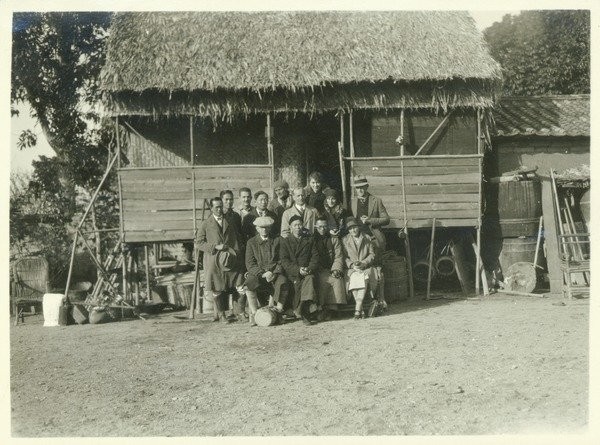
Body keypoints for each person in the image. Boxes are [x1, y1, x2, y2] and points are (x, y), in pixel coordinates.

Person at [195, 197, 243, 323]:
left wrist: (236, 253)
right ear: (211, 208)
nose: (219, 209)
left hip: (229, 258)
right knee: (217, 287)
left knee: (236, 283)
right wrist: (215, 246)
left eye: (221, 206)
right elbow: (198, 243)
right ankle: (221, 315)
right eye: (216, 207)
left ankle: (239, 313)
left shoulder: (230, 221)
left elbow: (236, 239)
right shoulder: (206, 224)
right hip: (213, 259)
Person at [350, 175, 389, 306]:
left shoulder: (376, 201)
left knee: (378, 269)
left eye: (362, 187)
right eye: (357, 188)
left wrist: (370, 220)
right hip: (359, 241)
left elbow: (386, 219)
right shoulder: (352, 202)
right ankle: (367, 300)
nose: (360, 190)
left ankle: (381, 298)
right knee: (360, 267)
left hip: (373, 239)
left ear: (367, 187)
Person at [244, 216, 289, 326]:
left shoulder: (278, 240)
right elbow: (250, 264)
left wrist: (274, 272)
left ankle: (278, 311)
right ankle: (254, 314)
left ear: (270, 228)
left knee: (283, 281)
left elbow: (282, 260)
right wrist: (262, 273)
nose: (264, 230)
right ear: (257, 229)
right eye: (261, 228)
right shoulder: (251, 242)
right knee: (249, 283)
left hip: (275, 273)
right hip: (259, 273)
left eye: (266, 227)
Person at [279, 215, 320, 325]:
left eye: (300, 225)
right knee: (305, 281)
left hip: (307, 271)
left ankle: (303, 310)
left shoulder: (309, 240)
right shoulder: (285, 242)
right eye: (295, 225)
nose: (298, 227)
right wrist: (298, 270)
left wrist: (309, 268)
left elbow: (315, 257)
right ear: (290, 227)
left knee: (310, 278)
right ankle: (304, 310)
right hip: (293, 273)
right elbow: (284, 261)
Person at [341, 217, 381, 320]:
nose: (353, 230)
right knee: (354, 277)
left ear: (358, 227)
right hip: (352, 268)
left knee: (364, 276)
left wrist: (363, 263)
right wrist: (352, 265)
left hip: (365, 267)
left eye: (354, 227)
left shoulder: (366, 237)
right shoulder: (345, 240)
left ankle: (358, 308)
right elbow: (344, 257)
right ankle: (360, 309)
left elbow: (372, 254)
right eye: (350, 229)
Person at [313, 217, 346, 320]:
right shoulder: (312, 240)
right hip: (319, 268)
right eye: (320, 227)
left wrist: (336, 269)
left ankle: (334, 308)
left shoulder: (334, 239)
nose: (322, 229)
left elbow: (338, 255)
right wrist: (319, 268)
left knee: (337, 279)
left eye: (324, 227)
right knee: (323, 279)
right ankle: (322, 307)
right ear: (315, 227)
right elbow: (313, 257)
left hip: (331, 267)